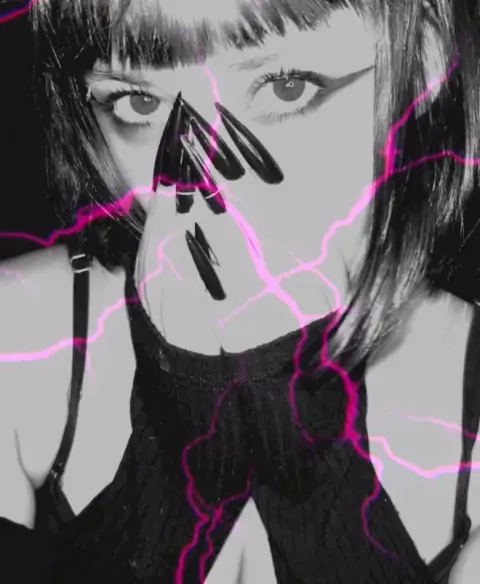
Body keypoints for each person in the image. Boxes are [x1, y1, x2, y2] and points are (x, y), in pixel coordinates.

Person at [0, 0, 478, 582]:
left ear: (423, 65)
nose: (209, 177)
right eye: (139, 103)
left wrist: (308, 454)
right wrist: (179, 456)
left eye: (285, 87)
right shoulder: (18, 342)